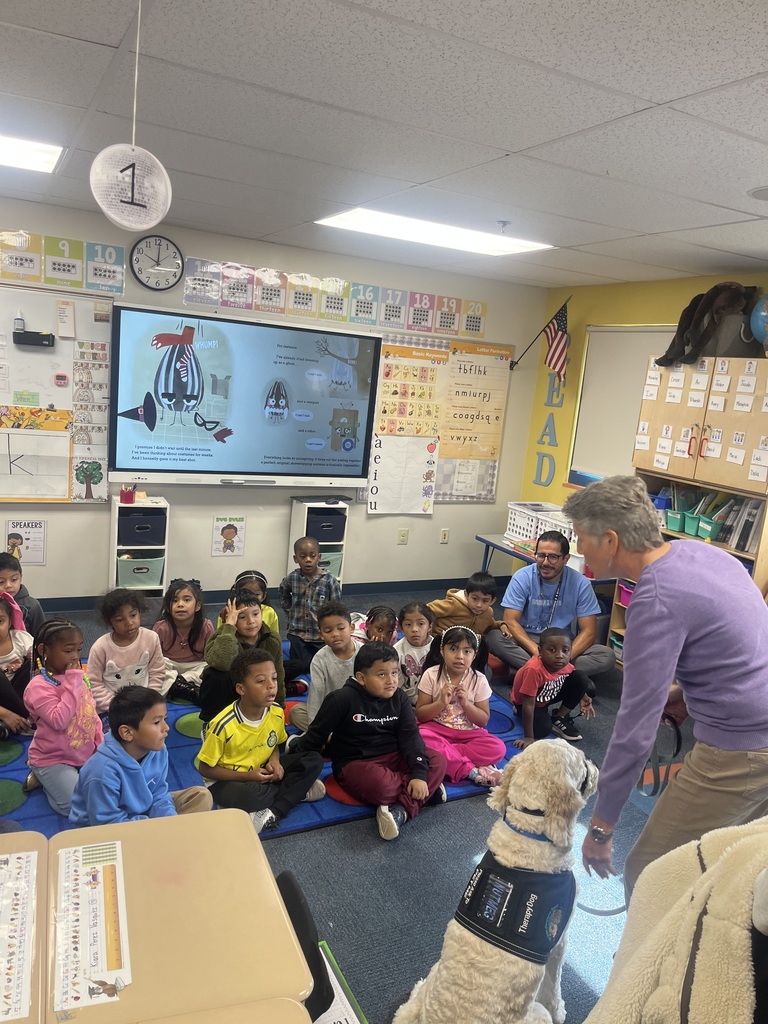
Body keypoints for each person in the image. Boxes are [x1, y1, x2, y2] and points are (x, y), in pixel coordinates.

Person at [562, 475, 768, 900]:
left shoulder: (655, 599)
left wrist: (601, 827)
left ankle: (653, 965)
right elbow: (740, 645)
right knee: (739, 863)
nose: (579, 550)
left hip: (742, 748)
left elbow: (634, 732)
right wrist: (684, 696)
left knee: (652, 874)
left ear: (611, 540)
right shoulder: (706, 554)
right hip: (756, 723)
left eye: (582, 539)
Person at [289, 642, 447, 840]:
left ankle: (401, 811)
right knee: (384, 788)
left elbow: (410, 736)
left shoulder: (399, 697)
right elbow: (316, 736)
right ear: (361, 678)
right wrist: (296, 755)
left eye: (395, 672)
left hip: (394, 755)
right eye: (381, 674)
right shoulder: (341, 699)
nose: (391, 680)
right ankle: (422, 793)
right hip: (356, 762)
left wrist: (419, 773)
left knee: (438, 761)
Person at [197, 649, 325, 834]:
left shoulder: (275, 711)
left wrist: (274, 761)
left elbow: (276, 744)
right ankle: (295, 793)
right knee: (250, 796)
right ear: (241, 689)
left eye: (273, 678)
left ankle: (273, 810)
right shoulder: (222, 725)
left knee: (313, 759)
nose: (271, 686)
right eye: (261, 681)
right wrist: (249, 776)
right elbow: (206, 769)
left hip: (263, 770)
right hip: (230, 780)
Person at [485, 531, 615, 692]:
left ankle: (529, 672)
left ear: (565, 559)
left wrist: (565, 655)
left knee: (606, 655)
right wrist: (536, 651)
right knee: (494, 637)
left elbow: (589, 631)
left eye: (553, 557)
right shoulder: (522, 577)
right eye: (541, 556)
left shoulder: (580, 583)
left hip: (562, 644)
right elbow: (510, 620)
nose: (545, 562)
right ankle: (564, 676)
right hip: (528, 640)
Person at [69, 685, 212, 826]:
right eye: (157, 722)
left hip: (144, 814)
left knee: (201, 796)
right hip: (110, 829)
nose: (166, 728)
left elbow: (159, 795)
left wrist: (169, 820)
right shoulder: (100, 771)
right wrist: (155, 827)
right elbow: (108, 824)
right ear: (127, 733)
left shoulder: (159, 749)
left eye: (165, 719)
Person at [23, 620, 103, 815]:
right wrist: (73, 680)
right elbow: (60, 720)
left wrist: (99, 744)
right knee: (76, 808)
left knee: (112, 788)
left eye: (78, 650)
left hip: (83, 752)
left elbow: (90, 712)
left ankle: (58, 781)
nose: (76, 657)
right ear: (44, 650)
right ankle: (43, 777)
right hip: (53, 758)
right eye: (68, 651)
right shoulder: (38, 687)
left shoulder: (77, 678)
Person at [415, 626, 507, 787]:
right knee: (419, 736)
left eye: (466, 651)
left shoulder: (479, 679)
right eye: (453, 649)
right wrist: (440, 703)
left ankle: (447, 755)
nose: (459, 656)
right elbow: (421, 715)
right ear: (442, 651)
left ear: (474, 654)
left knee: (498, 748)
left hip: (468, 734)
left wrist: (466, 703)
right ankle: (471, 771)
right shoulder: (431, 674)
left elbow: (482, 721)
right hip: (436, 729)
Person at [201, 589, 284, 721]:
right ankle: (210, 722)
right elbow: (222, 663)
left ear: (261, 613)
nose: (251, 621)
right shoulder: (224, 633)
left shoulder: (272, 638)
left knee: (290, 667)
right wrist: (229, 626)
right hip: (233, 687)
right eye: (242, 617)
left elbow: (278, 673)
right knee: (213, 674)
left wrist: (279, 710)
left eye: (256, 614)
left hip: (257, 686)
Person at [511, 627, 595, 747]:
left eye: (565, 651)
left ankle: (559, 716)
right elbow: (528, 704)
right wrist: (529, 737)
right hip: (527, 702)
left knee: (581, 677)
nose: (560, 656)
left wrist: (584, 697)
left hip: (547, 694)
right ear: (540, 651)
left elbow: (576, 680)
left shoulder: (563, 664)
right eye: (552, 650)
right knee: (542, 730)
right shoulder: (534, 670)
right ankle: (517, 710)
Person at [288, 600, 362, 733]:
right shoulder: (319, 659)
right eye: (328, 631)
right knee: (296, 712)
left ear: (351, 628)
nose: (335, 634)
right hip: (332, 711)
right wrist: (315, 732)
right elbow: (316, 696)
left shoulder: (364, 653)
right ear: (321, 634)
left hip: (360, 711)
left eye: (341, 628)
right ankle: (335, 737)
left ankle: (335, 737)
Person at [87, 589, 165, 713]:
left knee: (157, 728)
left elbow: (157, 673)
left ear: (140, 612)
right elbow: (94, 684)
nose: (129, 623)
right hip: (112, 706)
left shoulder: (151, 638)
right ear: (110, 622)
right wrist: (115, 706)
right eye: (119, 619)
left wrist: (150, 700)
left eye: (133, 615)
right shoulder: (100, 647)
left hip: (144, 703)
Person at [279, 537, 341, 679]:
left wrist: (331, 628)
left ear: (319, 557)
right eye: (303, 556)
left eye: (312, 556)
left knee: (325, 664)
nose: (308, 560)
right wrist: (289, 611)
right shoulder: (292, 578)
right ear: (296, 559)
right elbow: (283, 592)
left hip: (320, 635)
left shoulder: (329, 580)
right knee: (302, 666)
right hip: (298, 634)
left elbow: (337, 607)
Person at [426, 571, 509, 675]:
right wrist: (429, 631)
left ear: (492, 601)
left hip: (466, 652)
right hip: (442, 648)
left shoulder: (487, 613)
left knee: (487, 672)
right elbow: (426, 610)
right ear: (466, 594)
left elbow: (489, 624)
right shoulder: (454, 604)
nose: (479, 605)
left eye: (485, 601)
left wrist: (501, 625)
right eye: (475, 599)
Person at [152, 578, 214, 703]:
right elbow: (155, 659)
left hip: (195, 666)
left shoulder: (205, 627)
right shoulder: (161, 627)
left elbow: (210, 657)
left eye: (187, 600)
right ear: (168, 608)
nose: (180, 604)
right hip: (169, 666)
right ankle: (182, 686)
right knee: (157, 670)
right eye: (175, 600)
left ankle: (178, 684)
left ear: (197, 606)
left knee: (210, 670)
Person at [0, 593, 33, 737]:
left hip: (21, 696)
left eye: (0, 621)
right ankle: (25, 719)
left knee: (35, 663)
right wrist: (5, 714)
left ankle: (22, 720)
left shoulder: (20, 639)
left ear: (10, 621)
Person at [218, 570, 280, 636]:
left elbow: (275, 637)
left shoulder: (270, 612)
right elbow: (220, 639)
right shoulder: (226, 614)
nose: (251, 598)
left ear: (263, 596)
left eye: (256, 594)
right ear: (236, 593)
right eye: (242, 617)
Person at [394, 602, 433, 704]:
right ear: (401, 628)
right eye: (408, 624)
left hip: (433, 701)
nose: (414, 629)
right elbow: (395, 685)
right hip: (405, 701)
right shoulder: (396, 651)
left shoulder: (438, 649)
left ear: (429, 626)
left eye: (421, 624)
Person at [0, 553, 45, 637]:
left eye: (14, 579)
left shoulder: (32, 606)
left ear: (20, 577)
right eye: (1, 582)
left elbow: (41, 635)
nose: (8, 585)